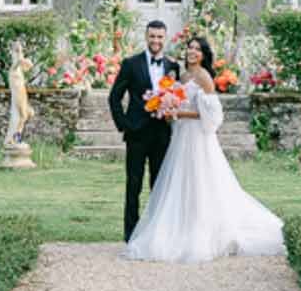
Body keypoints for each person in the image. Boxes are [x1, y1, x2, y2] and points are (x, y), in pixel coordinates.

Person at [122, 33, 286, 263]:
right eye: (190, 47)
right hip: (180, 136)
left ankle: (202, 232)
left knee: (200, 181)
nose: (192, 52)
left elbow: (213, 115)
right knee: (180, 181)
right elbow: (180, 98)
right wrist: (169, 107)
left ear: (203, 54)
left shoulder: (204, 77)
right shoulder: (184, 74)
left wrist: (179, 113)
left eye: (197, 49)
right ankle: (180, 227)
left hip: (197, 138)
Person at [107, 19, 179, 241]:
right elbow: (114, 97)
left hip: (161, 134)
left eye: (159, 37)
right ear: (146, 37)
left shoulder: (172, 66)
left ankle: (156, 233)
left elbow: (177, 98)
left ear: (164, 39)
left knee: (159, 185)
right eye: (152, 36)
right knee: (134, 184)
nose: (155, 41)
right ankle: (130, 234)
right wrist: (124, 125)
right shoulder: (131, 64)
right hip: (137, 133)